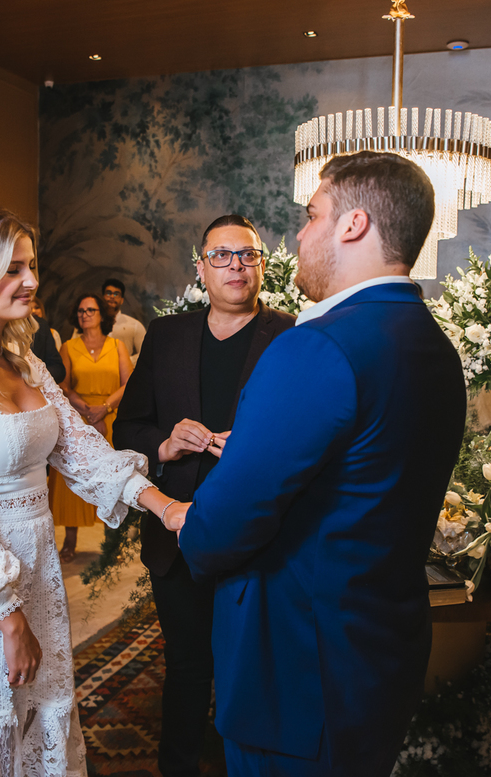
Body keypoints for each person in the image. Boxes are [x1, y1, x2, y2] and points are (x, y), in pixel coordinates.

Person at [166, 152, 466, 776]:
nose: (300, 236)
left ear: (354, 225)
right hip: (379, 651)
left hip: (298, 670)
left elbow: (221, 527)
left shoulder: (316, 346)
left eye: (312, 216)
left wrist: (188, 519)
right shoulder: (433, 343)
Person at [0, 203, 179, 777]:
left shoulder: (25, 362)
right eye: (13, 269)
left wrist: (167, 508)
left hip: (38, 572)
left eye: (30, 267)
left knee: (35, 729)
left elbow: (80, 450)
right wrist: (8, 617)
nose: (30, 281)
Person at [114, 214, 294, 777]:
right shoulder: (166, 335)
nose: (235, 266)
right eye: (222, 255)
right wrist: (164, 446)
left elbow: (312, 439)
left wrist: (258, 448)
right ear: (201, 267)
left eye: (248, 255)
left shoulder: (291, 336)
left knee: (253, 667)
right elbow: (127, 428)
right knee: (187, 665)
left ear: (261, 265)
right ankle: (179, 765)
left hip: (260, 536)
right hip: (178, 532)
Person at [49, 294, 132, 562]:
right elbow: (63, 385)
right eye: (81, 311)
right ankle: (70, 540)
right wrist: (86, 409)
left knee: (111, 479)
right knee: (74, 477)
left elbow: (128, 383)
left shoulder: (117, 345)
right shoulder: (69, 347)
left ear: (102, 314)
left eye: (91, 310)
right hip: (79, 417)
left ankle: (112, 543)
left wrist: (104, 408)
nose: (85, 315)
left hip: (110, 416)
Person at [100, 278, 146, 363]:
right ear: (102, 297)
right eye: (108, 293)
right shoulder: (89, 322)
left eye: (116, 294)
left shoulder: (134, 325)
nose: (112, 297)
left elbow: (145, 353)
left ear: (122, 300)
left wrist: (125, 361)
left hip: (123, 370)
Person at [28, 296, 65, 383]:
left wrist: (33, 375)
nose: (33, 311)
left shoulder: (42, 327)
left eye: (36, 307)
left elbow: (58, 369)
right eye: (30, 308)